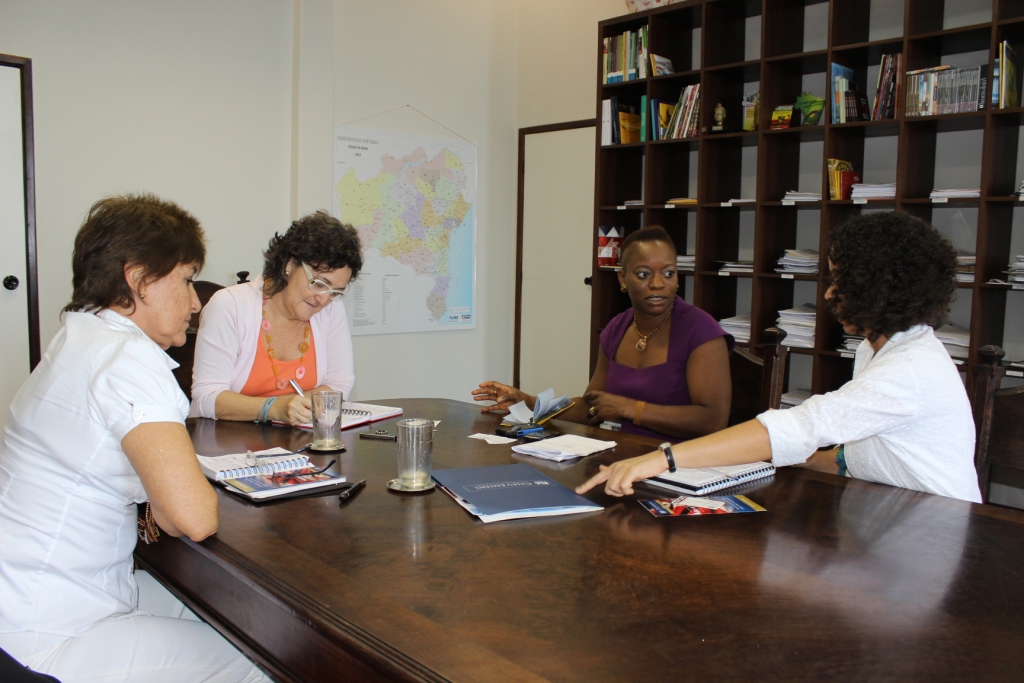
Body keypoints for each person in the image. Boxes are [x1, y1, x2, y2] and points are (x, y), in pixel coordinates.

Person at [0, 194, 267, 681]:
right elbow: (191, 517)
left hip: (32, 599)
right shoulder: (130, 359)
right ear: (139, 280)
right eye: (186, 280)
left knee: (225, 613)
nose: (195, 301)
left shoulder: (79, 337)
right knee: (264, 661)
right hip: (53, 630)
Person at [578, 211, 982, 503]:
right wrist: (767, 462)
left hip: (938, 529)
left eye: (838, 281)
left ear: (875, 290)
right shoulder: (873, 349)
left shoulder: (909, 369)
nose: (827, 294)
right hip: (888, 513)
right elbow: (861, 452)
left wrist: (661, 459)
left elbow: (801, 425)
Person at [474, 225, 734, 441]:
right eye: (644, 274)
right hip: (619, 454)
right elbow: (592, 406)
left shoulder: (701, 331)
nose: (658, 284)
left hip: (680, 463)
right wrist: (529, 402)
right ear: (623, 279)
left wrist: (631, 409)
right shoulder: (616, 329)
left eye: (668, 273)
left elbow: (713, 420)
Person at [191, 211, 361, 426]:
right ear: (290, 265)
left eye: (336, 292)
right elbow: (207, 397)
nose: (324, 299)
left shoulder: (331, 309)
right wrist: (274, 408)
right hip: (229, 446)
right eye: (319, 284)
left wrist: (291, 407)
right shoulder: (229, 305)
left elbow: (340, 383)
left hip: (297, 445)